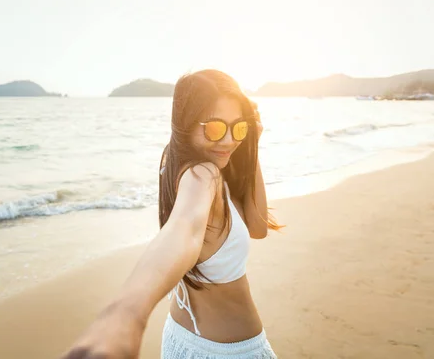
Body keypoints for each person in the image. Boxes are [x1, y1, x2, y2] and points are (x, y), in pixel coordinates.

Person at [62, 69, 282, 358]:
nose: (229, 140)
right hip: (229, 352)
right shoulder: (204, 175)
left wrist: (251, 143)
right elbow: (184, 229)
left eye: (238, 127)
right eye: (215, 127)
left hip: (180, 340)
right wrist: (124, 315)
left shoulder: (176, 162)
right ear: (186, 124)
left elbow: (258, 227)